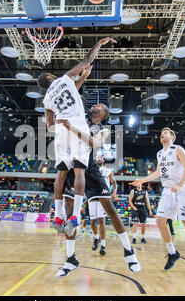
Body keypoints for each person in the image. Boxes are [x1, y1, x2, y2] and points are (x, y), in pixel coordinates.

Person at [39, 36, 117, 237]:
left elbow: (49, 126)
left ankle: (57, 216)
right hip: (75, 127)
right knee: (79, 171)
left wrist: (83, 78)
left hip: (61, 131)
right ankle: (74, 217)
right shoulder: (64, 79)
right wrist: (98, 44)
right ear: (50, 76)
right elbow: (86, 61)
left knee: (61, 173)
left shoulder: (46, 98)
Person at [57, 103, 140, 277]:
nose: (94, 105)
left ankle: (129, 251)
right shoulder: (80, 118)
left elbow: (94, 143)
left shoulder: (104, 130)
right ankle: (70, 258)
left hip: (91, 168)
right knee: (70, 212)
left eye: (99, 105)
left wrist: (71, 128)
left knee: (109, 208)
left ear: (103, 112)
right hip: (72, 167)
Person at [131, 128, 185, 271]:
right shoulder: (159, 154)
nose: (162, 134)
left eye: (166, 132)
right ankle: (172, 253)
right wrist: (142, 181)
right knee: (159, 220)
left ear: (172, 137)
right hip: (167, 190)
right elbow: (157, 172)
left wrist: (180, 184)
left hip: (182, 188)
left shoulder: (178, 149)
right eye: (161, 132)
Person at [89, 155, 117, 255]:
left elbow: (114, 182)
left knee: (101, 220)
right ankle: (96, 238)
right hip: (92, 195)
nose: (99, 158)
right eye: (97, 157)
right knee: (92, 221)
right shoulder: (91, 170)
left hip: (103, 195)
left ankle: (103, 246)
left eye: (100, 157)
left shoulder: (107, 171)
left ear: (103, 160)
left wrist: (114, 192)